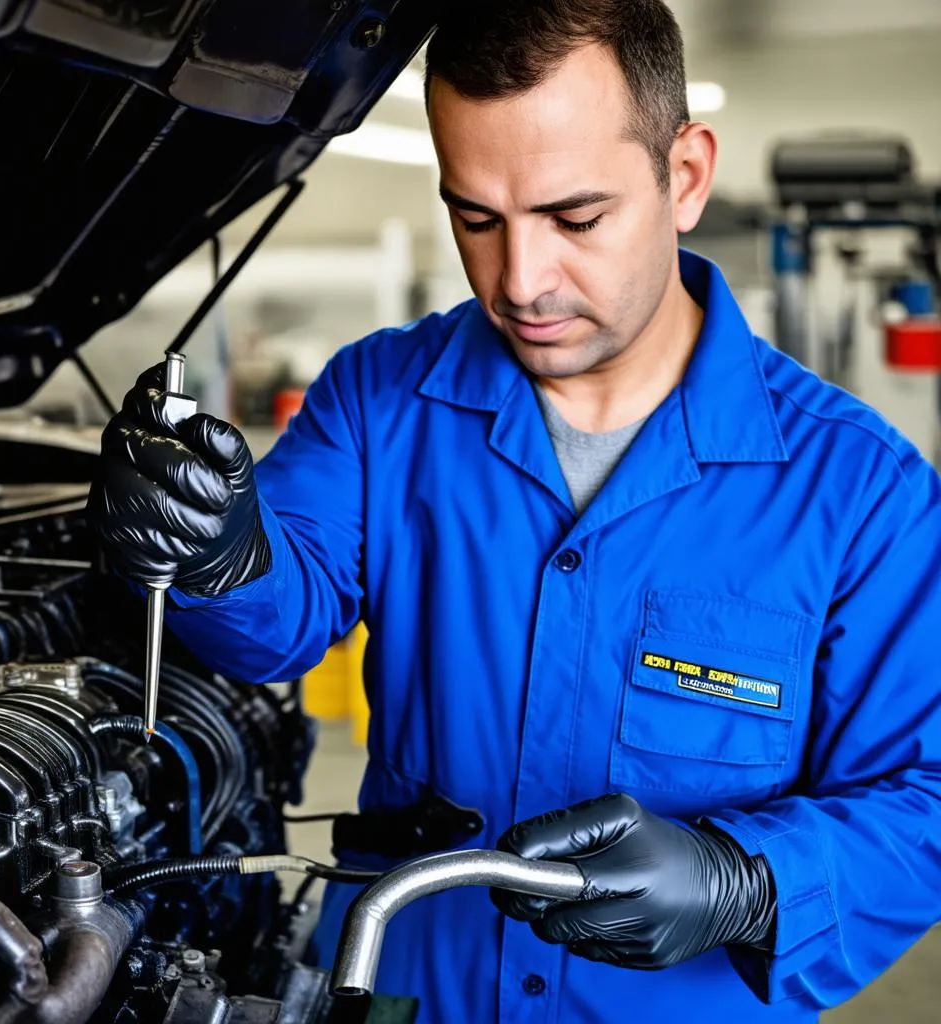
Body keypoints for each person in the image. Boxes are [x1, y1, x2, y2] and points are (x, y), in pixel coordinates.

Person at [86, 1, 941, 1021]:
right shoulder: (379, 401)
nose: (521, 281)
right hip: (406, 986)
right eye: (476, 218)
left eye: (574, 217)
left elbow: (923, 799)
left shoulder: (859, 491)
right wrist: (222, 554)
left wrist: (746, 879)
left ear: (685, 177)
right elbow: (278, 621)